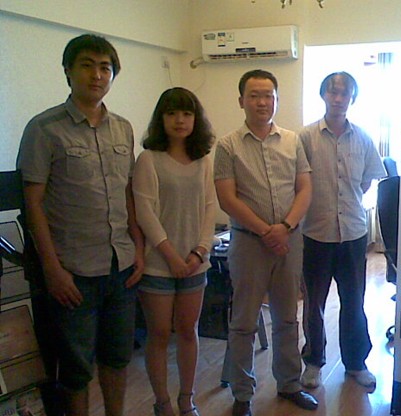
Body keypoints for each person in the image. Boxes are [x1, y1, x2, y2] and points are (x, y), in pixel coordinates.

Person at [16, 34, 144, 416]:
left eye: (105, 67)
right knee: (75, 370)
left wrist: (138, 248)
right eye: (87, 65)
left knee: (118, 358)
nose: (97, 75)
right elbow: (33, 203)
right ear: (68, 71)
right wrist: (52, 269)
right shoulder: (44, 128)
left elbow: (127, 193)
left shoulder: (123, 128)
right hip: (73, 273)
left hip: (120, 267)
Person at [214, 69, 317, 416]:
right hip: (248, 244)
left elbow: (305, 188)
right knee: (244, 322)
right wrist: (265, 231)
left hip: (289, 240)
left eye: (268, 95)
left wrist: (284, 227)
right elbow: (227, 199)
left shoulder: (292, 140)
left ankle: (289, 384)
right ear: (241, 100)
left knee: (287, 317)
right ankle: (243, 394)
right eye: (254, 95)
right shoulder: (227, 145)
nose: (262, 102)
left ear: (276, 99)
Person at [299, 71, 386, 392]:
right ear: (323, 95)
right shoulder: (305, 138)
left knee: (353, 301)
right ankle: (313, 361)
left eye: (344, 93)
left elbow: (367, 181)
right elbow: (298, 182)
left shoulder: (363, 138)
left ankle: (355, 363)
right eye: (333, 92)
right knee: (314, 304)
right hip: (315, 233)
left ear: (353, 98)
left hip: (352, 233)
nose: (338, 99)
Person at [132, 87, 216, 416]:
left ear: (195, 119)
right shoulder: (149, 159)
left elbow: (209, 209)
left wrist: (198, 253)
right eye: (171, 113)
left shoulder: (203, 161)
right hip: (158, 265)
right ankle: (162, 402)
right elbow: (145, 212)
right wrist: (171, 256)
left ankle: (186, 399)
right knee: (158, 334)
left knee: (188, 331)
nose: (179, 120)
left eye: (186, 114)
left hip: (195, 264)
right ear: (161, 118)